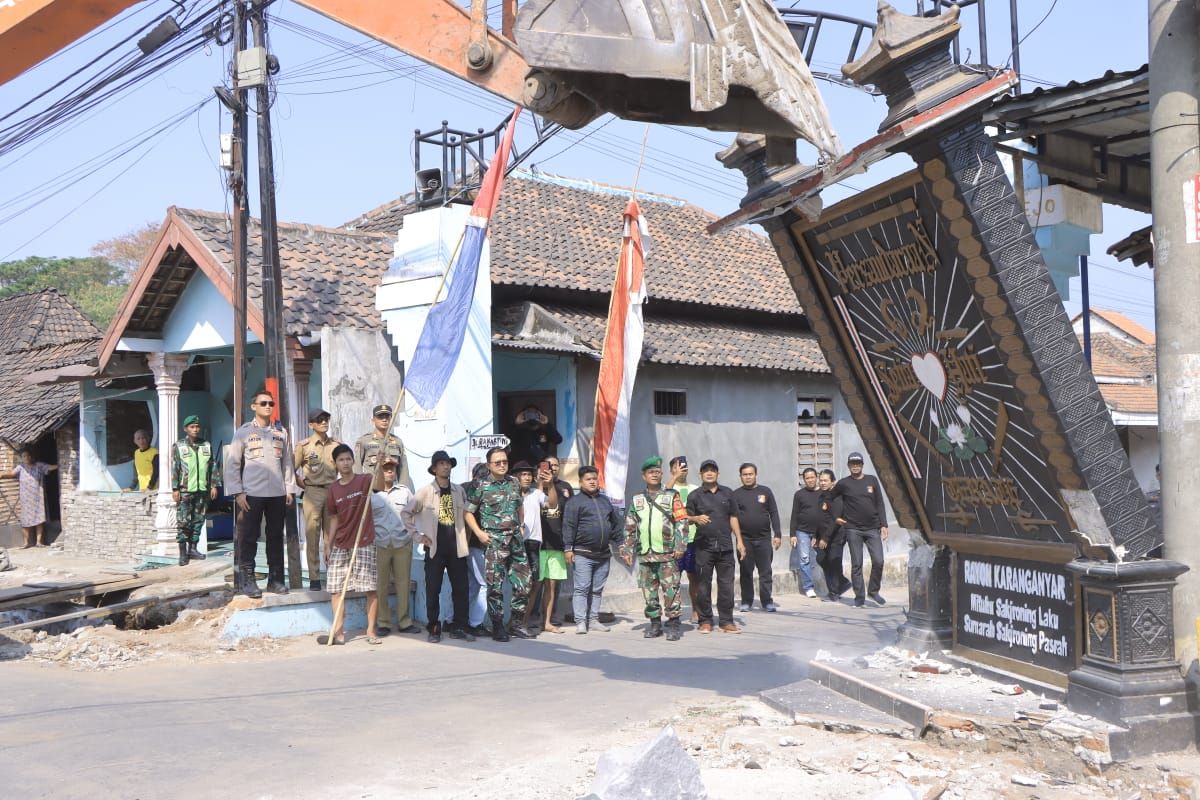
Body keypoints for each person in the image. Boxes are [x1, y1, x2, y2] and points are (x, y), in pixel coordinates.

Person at [225, 390, 296, 598]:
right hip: (251, 494)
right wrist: (237, 492)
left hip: (276, 493)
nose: (267, 406)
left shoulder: (280, 433)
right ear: (253, 406)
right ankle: (248, 581)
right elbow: (233, 464)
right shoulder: (243, 433)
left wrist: (289, 488)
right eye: (263, 403)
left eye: (270, 403)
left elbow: (288, 463)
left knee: (275, 536)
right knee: (249, 537)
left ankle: (275, 580)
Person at [465, 447, 535, 641]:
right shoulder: (480, 485)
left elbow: (519, 505)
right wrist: (479, 533)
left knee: (524, 582)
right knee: (494, 586)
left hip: (515, 541)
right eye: (498, 462)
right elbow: (468, 512)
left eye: (505, 461)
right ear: (489, 465)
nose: (502, 465)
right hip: (494, 541)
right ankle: (498, 626)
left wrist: (521, 525)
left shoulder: (513, 482)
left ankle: (516, 623)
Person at [404, 450, 474, 643]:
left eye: (448, 463)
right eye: (441, 464)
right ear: (434, 469)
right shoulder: (425, 492)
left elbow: (468, 515)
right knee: (433, 589)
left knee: (461, 589)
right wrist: (417, 536)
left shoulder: (458, 490)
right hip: (434, 548)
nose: (446, 466)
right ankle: (434, 626)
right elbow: (406, 513)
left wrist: (466, 539)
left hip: (456, 548)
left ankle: (460, 626)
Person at [619, 456, 688, 641]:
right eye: (651, 472)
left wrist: (681, 545)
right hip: (645, 555)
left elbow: (682, 522)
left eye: (657, 472)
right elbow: (630, 526)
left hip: (667, 554)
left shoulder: (672, 496)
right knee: (649, 591)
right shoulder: (637, 499)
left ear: (661, 474)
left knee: (671, 589)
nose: (654, 475)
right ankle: (655, 623)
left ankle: (673, 624)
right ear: (644, 476)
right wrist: (627, 549)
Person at [321, 444, 380, 646]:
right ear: (335, 464)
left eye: (348, 459)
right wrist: (328, 545)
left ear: (353, 461)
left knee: (369, 588)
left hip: (363, 541)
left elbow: (379, 483)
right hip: (341, 543)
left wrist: (378, 465)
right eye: (341, 460)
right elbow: (334, 519)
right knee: (336, 589)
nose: (345, 463)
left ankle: (371, 630)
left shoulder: (365, 480)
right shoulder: (334, 489)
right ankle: (338, 633)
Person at [685, 460, 746, 634]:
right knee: (703, 585)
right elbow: (684, 517)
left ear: (718, 474)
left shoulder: (728, 493)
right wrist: (696, 518)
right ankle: (705, 621)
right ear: (700, 475)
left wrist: (739, 541)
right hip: (703, 547)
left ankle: (726, 621)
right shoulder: (695, 495)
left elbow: (733, 517)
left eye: (713, 470)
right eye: (706, 471)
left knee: (726, 585)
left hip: (725, 547)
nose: (709, 473)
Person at [562, 465, 625, 634]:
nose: (592, 482)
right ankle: (581, 622)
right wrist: (568, 548)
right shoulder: (574, 502)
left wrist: (622, 543)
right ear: (581, 482)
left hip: (603, 554)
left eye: (594, 479)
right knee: (582, 588)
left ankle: (594, 619)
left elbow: (616, 525)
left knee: (597, 589)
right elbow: (568, 526)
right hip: (583, 553)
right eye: (588, 479)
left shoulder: (605, 501)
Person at [832, 452, 889, 608]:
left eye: (858, 463)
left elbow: (880, 503)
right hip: (853, 529)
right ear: (849, 466)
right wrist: (836, 516)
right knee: (857, 564)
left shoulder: (872, 480)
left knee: (879, 560)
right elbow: (830, 498)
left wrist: (884, 524)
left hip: (872, 528)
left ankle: (873, 591)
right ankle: (859, 597)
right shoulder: (844, 483)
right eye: (852, 464)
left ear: (862, 465)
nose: (855, 466)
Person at [372, 458, 421, 637]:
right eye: (385, 469)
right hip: (380, 544)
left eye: (392, 468)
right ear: (379, 472)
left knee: (403, 583)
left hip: (402, 543)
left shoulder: (405, 492)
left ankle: (404, 621)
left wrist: (411, 535)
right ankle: (383, 622)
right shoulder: (372, 495)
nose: (390, 472)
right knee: (381, 585)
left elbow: (413, 513)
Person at [294, 408, 340, 591]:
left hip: (332, 491)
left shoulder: (336, 445)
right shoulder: (304, 446)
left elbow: (345, 466)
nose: (324, 423)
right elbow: (291, 469)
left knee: (331, 536)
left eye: (326, 419)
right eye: (319, 420)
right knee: (312, 534)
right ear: (311, 425)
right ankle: (314, 577)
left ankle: (333, 574)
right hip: (312, 492)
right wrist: (301, 484)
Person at [513, 461, 560, 633]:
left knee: (534, 583)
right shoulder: (510, 493)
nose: (526, 477)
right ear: (516, 477)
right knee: (517, 584)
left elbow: (553, 505)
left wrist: (551, 484)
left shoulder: (536, 493)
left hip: (533, 543)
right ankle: (512, 621)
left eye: (528, 474)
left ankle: (523, 623)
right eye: (522, 474)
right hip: (515, 543)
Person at [732, 463, 782, 612]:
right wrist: (738, 538)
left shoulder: (765, 491)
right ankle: (747, 601)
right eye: (744, 474)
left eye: (750, 474)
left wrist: (777, 534)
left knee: (765, 572)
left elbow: (773, 512)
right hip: (744, 540)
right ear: (740, 476)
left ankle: (767, 601)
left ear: (756, 475)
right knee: (746, 571)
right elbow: (732, 517)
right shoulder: (736, 494)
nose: (748, 477)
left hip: (764, 539)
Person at [171, 415, 217, 566]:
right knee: (183, 521)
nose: (195, 429)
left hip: (202, 489)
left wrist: (214, 485)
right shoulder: (178, 445)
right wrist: (175, 488)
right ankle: (183, 553)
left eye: (197, 426)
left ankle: (193, 549)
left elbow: (212, 466)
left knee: (198, 520)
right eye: (192, 427)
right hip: (185, 490)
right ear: (185, 429)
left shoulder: (206, 445)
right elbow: (175, 468)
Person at [536, 455, 572, 632]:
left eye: (556, 465)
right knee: (535, 586)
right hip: (537, 543)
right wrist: (540, 483)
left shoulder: (565, 488)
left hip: (557, 542)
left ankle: (550, 619)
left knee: (553, 585)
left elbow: (569, 516)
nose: (552, 468)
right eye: (548, 465)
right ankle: (533, 619)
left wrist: (569, 545)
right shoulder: (535, 487)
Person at [666, 456, 701, 621]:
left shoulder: (695, 488)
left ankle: (696, 610)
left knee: (694, 577)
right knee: (673, 580)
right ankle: (674, 614)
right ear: (672, 470)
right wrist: (674, 478)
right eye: (677, 467)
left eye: (684, 467)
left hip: (693, 541)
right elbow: (664, 496)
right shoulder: (668, 487)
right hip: (674, 542)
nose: (681, 470)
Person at [3, 449, 57, 548]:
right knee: (25, 521)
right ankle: (26, 543)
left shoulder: (38, 465)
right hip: (26, 499)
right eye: (24, 456)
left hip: (37, 498)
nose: (26, 458)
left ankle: (39, 542)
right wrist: (2, 475)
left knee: (39, 519)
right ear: (21, 458)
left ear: (31, 457)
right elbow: (12, 473)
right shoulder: (20, 467)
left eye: (28, 456)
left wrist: (61, 465)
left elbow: (49, 467)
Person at [462, 461, 492, 635]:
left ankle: (453, 619)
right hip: (476, 544)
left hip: (464, 544)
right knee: (483, 584)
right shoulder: (482, 489)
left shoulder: (462, 488)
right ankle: (475, 623)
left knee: (472, 585)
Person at [816, 469, 851, 602]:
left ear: (833, 482)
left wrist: (826, 538)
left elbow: (835, 520)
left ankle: (834, 592)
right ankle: (842, 583)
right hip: (823, 535)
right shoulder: (822, 496)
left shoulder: (837, 497)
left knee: (834, 561)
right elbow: (820, 517)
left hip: (836, 536)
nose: (823, 483)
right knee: (821, 559)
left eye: (826, 480)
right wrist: (816, 536)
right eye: (821, 480)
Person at [354, 404, 410, 487]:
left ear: (391, 419)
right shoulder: (364, 441)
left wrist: (404, 490)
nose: (384, 420)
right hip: (372, 489)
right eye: (380, 417)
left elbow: (403, 469)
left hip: (392, 489)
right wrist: (358, 489)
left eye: (387, 417)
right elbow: (357, 467)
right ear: (373, 420)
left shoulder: (397, 442)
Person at [789, 467, 823, 599]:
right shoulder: (799, 495)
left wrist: (818, 534)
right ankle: (808, 587)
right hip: (802, 531)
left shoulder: (823, 493)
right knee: (804, 559)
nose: (810, 480)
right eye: (807, 478)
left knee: (822, 559)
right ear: (804, 480)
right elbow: (794, 515)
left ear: (817, 477)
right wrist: (792, 534)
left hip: (819, 532)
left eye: (812, 477)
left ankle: (826, 585)